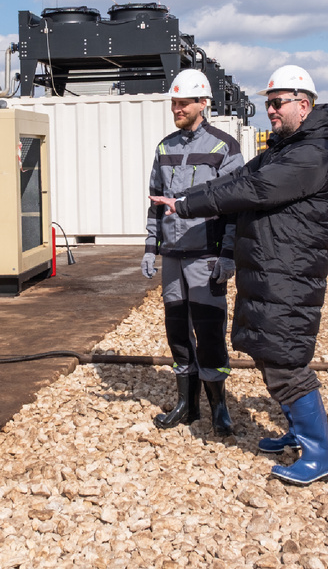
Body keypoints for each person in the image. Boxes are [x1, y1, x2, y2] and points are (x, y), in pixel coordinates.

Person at [150, 65, 328, 484]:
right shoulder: (284, 148)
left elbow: (249, 190)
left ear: (303, 105)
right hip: (273, 266)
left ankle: (318, 454)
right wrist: (187, 197)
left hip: (290, 269)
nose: (269, 110)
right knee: (269, 350)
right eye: (267, 103)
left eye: (277, 103)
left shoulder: (310, 153)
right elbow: (239, 177)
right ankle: (296, 433)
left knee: (286, 358)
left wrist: (185, 205)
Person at [142, 68, 245, 436]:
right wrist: (150, 247)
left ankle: (219, 405)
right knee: (177, 330)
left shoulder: (225, 148)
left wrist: (228, 254)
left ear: (203, 103)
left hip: (206, 256)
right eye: (173, 103)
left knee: (209, 329)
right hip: (173, 256)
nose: (176, 109)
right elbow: (155, 202)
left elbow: (236, 206)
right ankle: (187, 405)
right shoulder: (164, 147)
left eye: (183, 103)